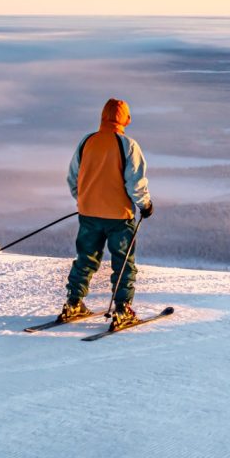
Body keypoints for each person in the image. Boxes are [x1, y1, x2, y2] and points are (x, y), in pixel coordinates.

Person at [62, 98, 153, 329]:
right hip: (119, 217)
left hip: (88, 214)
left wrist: (85, 200)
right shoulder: (128, 145)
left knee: (85, 258)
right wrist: (145, 205)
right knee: (123, 263)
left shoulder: (87, 141)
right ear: (126, 119)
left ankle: (73, 303)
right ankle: (122, 310)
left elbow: (73, 178)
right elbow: (135, 184)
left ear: (102, 116)